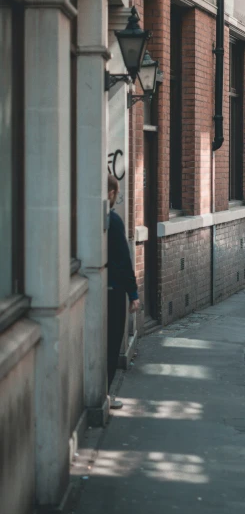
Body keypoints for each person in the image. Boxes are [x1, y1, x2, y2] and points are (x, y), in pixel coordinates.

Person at [107, 175, 140, 409]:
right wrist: (134, 294)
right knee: (112, 343)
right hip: (114, 291)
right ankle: (106, 395)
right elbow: (123, 260)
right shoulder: (114, 221)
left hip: (100, 289)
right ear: (111, 193)